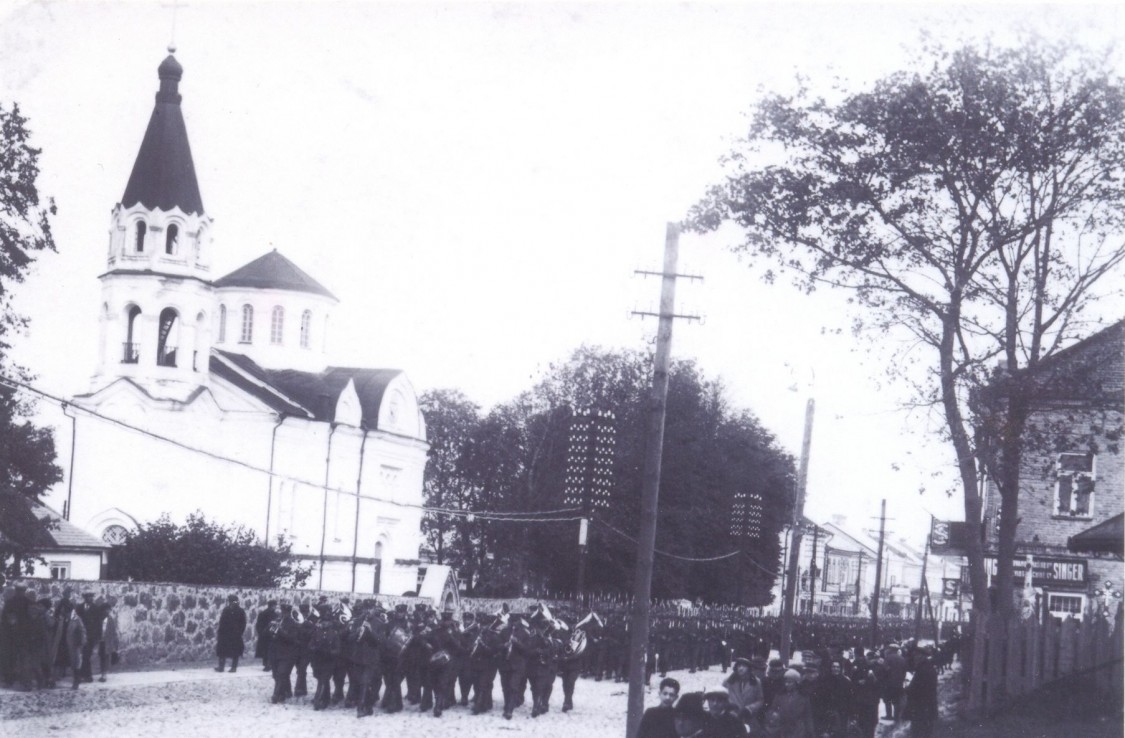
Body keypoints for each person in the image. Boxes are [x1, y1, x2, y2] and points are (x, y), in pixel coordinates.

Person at [903, 645, 938, 738]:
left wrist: (907, 688)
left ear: (921, 656)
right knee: (925, 731)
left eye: (916, 656)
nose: (915, 658)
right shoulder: (928, 667)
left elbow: (916, 689)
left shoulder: (922, 670)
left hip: (921, 708)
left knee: (919, 732)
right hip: (927, 707)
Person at [770, 669, 815, 738]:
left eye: (790, 682)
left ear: (796, 683)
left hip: (798, 730)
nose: (786, 684)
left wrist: (811, 733)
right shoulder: (780, 695)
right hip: (782, 729)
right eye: (785, 682)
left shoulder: (803, 696)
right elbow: (773, 710)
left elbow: (808, 716)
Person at [723, 656, 765, 726]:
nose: (741, 668)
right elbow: (721, 696)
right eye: (739, 666)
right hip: (731, 715)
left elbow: (760, 700)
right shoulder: (728, 681)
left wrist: (749, 709)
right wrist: (729, 705)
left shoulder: (756, 682)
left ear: (749, 668)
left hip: (748, 716)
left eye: (744, 666)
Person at [215, 594, 247, 673]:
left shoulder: (239, 611)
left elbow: (243, 623)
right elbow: (222, 622)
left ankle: (233, 668)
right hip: (226, 634)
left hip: (234, 634)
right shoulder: (226, 610)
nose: (230, 603)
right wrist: (220, 632)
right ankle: (222, 667)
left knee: (234, 651)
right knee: (222, 650)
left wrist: (239, 632)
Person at [881, 643, 907, 721]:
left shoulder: (887, 658)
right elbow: (904, 671)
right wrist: (901, 679)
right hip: (898, 683)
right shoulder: (902, 659)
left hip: (889, 683)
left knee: (887, 700)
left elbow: (885, 670)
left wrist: (884, 680)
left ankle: (889, 715)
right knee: (896, 700)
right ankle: (896, 717)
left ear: (891, 650)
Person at [255, 599, 277, 671]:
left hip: (264, 635)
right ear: (273, 606)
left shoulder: (262, 613)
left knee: (265, 650)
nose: (276, 607)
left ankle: (266, 664)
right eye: (275, 605)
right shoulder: (274, 614)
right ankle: (268, 665)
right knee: (270, 650)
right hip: (271, 635)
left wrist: (261, 633)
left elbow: (258, 625)